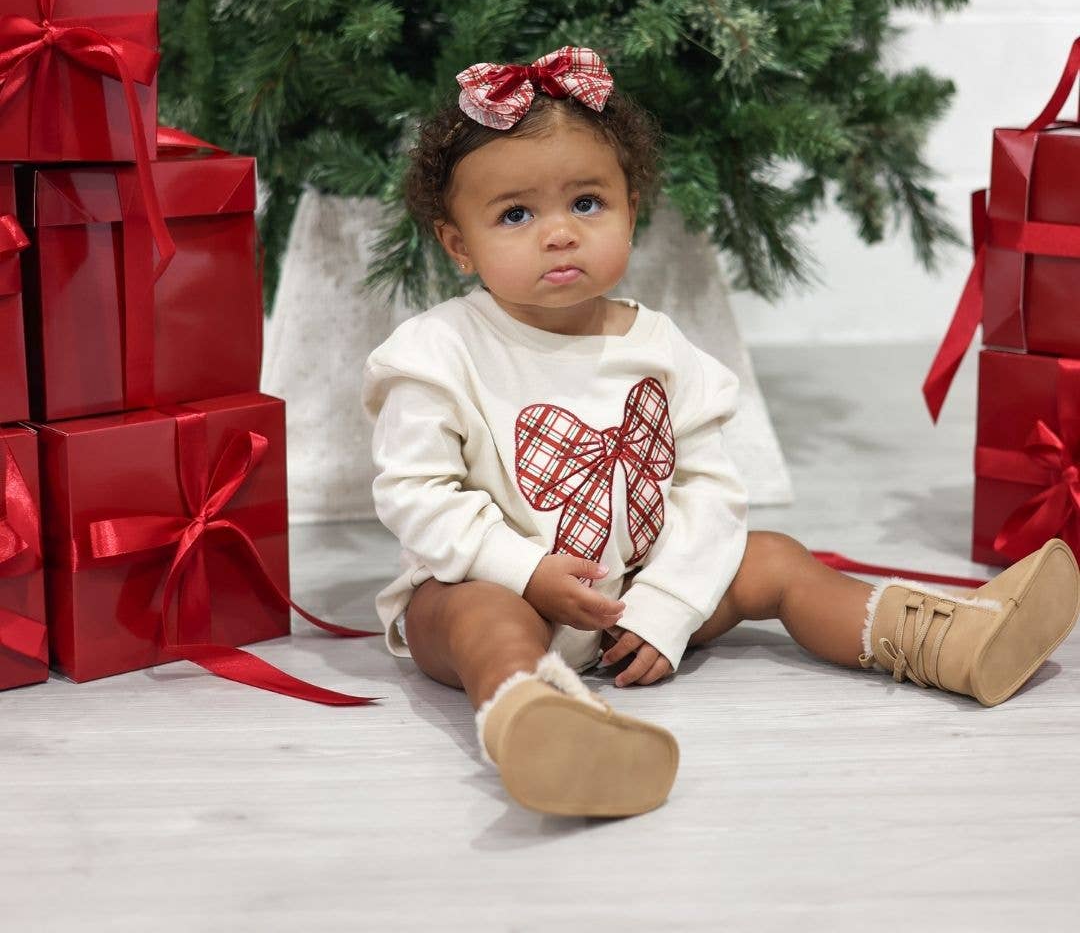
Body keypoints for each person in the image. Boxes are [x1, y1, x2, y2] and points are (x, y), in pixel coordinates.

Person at [360, 46, 1080, 819]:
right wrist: (525, 570)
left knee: (774, 559)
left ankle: (944, 643)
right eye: (516, 215)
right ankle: (535, 717)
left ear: (632, 206)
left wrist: (666, 606)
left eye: (587, 203)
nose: (559, 233)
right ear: (458, 244)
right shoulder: (437, 352)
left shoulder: (663, 349)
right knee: (478, 616)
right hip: (495, 589)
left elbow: (708, 491)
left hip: (632, 597)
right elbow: (417, 495)